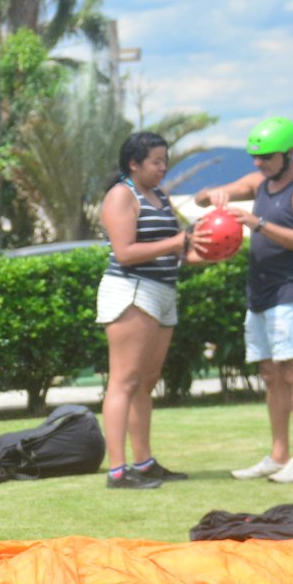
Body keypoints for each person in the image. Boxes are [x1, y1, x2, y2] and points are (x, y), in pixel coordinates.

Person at [195, 116, 293, 483]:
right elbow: (200, 197)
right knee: (270, 374)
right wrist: (211, 196)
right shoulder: (260, 182)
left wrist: (258, 224)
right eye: (255, 157)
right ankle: (278, 455)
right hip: (261, 291)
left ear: (288, 153)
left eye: (267, 157)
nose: (259, 163)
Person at [96, 131, 203, 491]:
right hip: (132, 292)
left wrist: (210, 251)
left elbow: (177, 251)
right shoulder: (121, 195)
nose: (163, 167)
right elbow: (125, 252)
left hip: (162, 292)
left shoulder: (160, 196)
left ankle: (143, 463)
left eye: (164, 161)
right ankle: (117, 471)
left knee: (145, 382)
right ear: (134, 164)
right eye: (156, 161)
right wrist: (177, 241)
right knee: (124, 381)